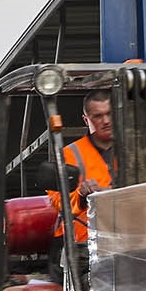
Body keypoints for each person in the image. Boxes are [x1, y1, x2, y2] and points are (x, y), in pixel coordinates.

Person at [49, 89, 118, 244]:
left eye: (109, 114)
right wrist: (81, 195)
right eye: (98, 116)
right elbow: (59, 201)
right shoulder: (69, 154)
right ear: (86, 120)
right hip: (84, 245)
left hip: (131, 238)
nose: (106, 121)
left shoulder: (135, 149)